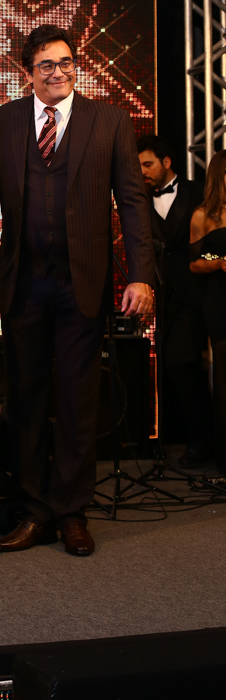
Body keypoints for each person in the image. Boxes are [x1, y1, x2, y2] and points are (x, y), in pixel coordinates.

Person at [0, 24, 154, 557]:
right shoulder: (3, 121)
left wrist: (142, 275)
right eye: (46, 65)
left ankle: (72, 511)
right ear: (28, 72)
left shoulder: (110, 120)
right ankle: (35, 511)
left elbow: (132, 200)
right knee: (26, 399)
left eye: (65, 63)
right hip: (24, 282)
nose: (58, 73)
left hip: (83, 281)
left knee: (79, 400)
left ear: (75, 65)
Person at [137, 135, 210, 465]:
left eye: (147, 164)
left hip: (197, 294)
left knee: (181, 361)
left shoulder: (198, 192)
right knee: (168, 366)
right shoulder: (138, 199)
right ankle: (177, 440)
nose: (142, 171)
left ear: (166, 162)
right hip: (162, 297)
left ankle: (202, 441)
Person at [189, 150, 226, 474]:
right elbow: (195, 262)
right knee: (224, 376)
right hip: (220, 300)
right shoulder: (203, 215)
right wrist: (220, 262)